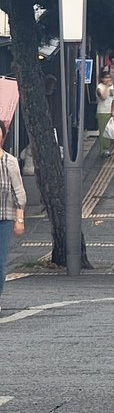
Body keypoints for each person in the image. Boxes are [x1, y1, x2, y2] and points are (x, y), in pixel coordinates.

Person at [0, 119, 26, 308]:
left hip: (4, 218)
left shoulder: (9, 161)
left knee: (0, 260)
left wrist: (19, 219)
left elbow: (19, 192)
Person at [95, 67, 114, 157]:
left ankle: (108, 148)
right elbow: (103, 97)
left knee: (110, 130)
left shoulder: (112, 86)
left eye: (109, 77)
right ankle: (103, 149)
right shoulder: (99, 87)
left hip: (110, 111)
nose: (108, 79)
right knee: (103, 131)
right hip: (102, 111)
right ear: (102, 79)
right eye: (106, 77)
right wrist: (107, 87)